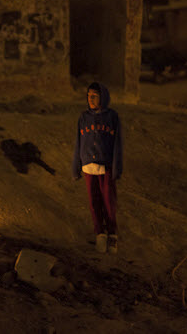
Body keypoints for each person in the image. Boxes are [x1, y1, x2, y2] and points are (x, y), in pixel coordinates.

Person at [72, 82, 123, 253]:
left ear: (103, 97)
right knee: (94, 203)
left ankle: (112, 235)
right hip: (88, 166)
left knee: (108, 201)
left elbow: (117, 144)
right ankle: (100, 234)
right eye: (88, 96)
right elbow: (78, 143)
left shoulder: (112, 117)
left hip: (106, 165)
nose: (91, 99)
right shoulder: (83, 118)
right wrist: (76, 166)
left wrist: (116, 167)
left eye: (94, 96)